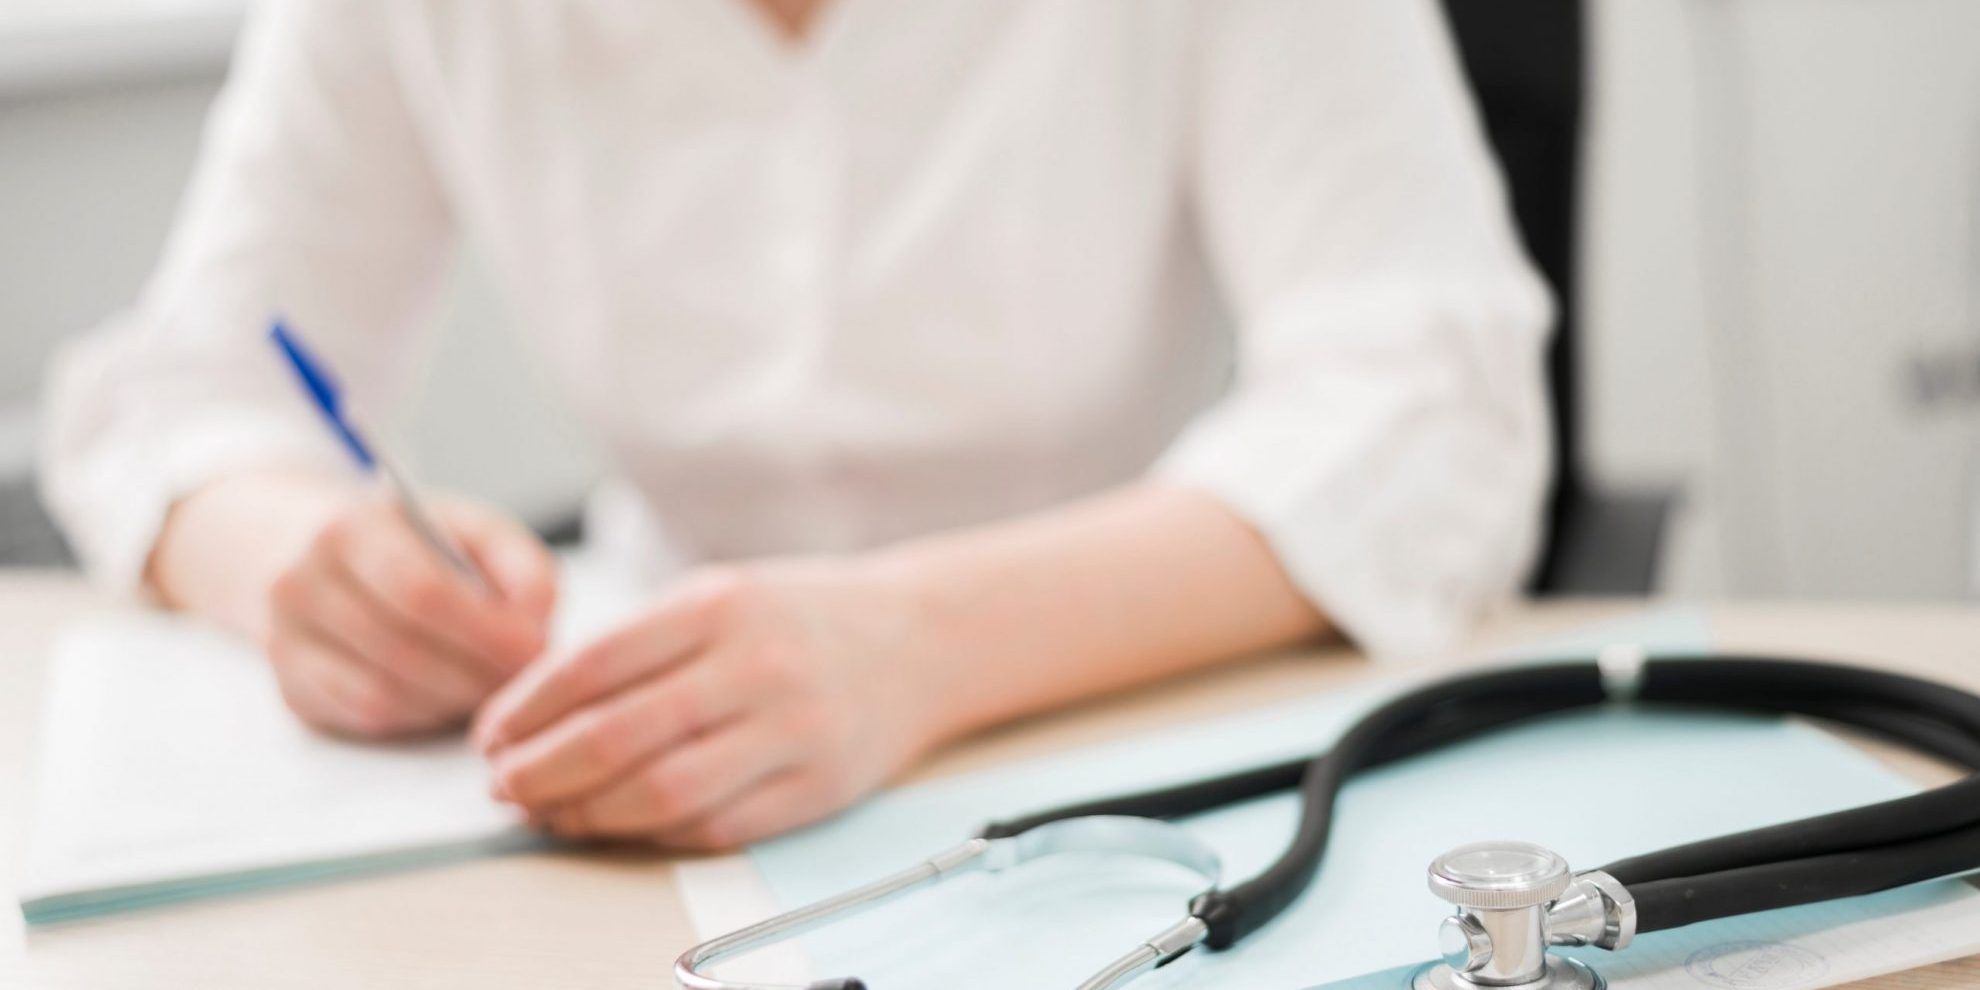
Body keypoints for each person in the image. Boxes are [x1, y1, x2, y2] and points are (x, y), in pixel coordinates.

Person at [40, 0, 1551, 851]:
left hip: (1118, 734)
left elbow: (1436, 404)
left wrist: (916, 645)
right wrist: (302, 560)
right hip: (641, 803)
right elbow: (183, 388)